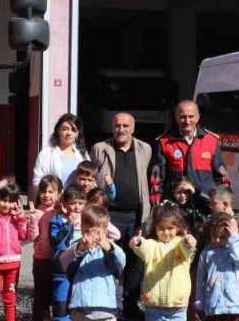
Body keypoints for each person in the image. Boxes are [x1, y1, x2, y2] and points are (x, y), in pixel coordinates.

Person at [91, 111, 152, 321]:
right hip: (110, 215)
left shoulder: (145, 149)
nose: (121, 129)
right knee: (109, 260)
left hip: (136, 215)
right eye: (117, 125)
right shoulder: (100, 149)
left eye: (126, 126)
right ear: (112, 127)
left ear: (133, 128)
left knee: (135, 264)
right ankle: (108, 310)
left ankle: (130, 311)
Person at [149, 100, 230, 205]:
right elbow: (157, 180)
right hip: (176, 205)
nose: (187, 121)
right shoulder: (165, 142)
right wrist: (157, 206)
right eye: (182, 116)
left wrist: (223, 204)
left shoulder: (210, 141)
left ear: (198, 118)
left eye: (191, 116)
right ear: (176, 118)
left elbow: (222, 178)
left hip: (205, 203)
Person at [130, 202, 197, 321]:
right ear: (155, 228)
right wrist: (138, 242)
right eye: (161, 228)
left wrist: (189, 241)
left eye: (170, 228)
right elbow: (144, 247)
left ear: (178, 227)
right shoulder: (153, 245)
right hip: (154, 306)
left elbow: (188, 248)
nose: (166, 233)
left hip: (178, 306)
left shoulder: (180, 244)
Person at [60, 204, 127, 321]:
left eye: (96, 232)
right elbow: (63, 261)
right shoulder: (77, 246)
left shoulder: (109, 248)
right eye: (87, 231)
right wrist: (80, 248)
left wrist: (108, 246)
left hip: (106, 308)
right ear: (81, 229)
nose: (91, 235)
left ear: (105, 231)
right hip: (79, 308)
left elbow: (121, 262)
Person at [193, 212, 239, 321]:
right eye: (215, 236)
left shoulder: (233, 249)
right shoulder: (206, 253)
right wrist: (199, 303)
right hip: (213, 305)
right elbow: (200, 279)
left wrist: (234, 237)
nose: (218, 240)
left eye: (223, 237)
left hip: (233, 304)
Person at [0, 182, 30, 321]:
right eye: (3, 200)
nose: (6, 205)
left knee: (10, 298)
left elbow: (24, 236)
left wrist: (21, 219)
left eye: (11, 201)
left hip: (13, 264)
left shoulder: (17, 218)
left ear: (17, 202)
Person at [49, 185, 89, 321]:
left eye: (80, 203)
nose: (77, 207)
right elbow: (54, 241)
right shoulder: (57, 220)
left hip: (81, 268)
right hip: (62, 270)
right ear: (65, 204)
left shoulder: (86, 221)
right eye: (73, 203)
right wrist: (68, 225)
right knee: (61, 305)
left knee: (79, 305)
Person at [29, 174, 65, 321]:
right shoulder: (37, 212)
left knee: (57, 296)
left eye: (51, 192)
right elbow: (33, 238)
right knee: (41, 297)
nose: (46, 195)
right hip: (42, 260)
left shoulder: (62, 211)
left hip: (59, 259)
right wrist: (32, 220)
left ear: (59, 193)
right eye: (43, 191)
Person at [35, 113, 92, 188]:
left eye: (73, 130)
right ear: (58, 130)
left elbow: (91, 177)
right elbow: (37, 181)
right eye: (65, 129)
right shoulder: (46, 154)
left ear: (77, 134)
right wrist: (52, 192)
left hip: (77, 199)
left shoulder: (83, 155)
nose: (69, 133)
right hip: (55, 199)